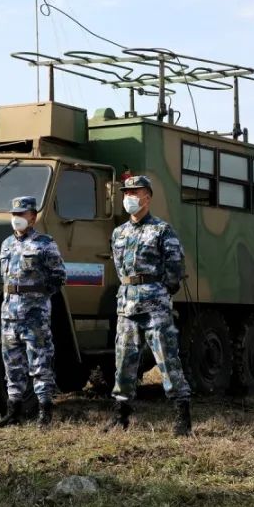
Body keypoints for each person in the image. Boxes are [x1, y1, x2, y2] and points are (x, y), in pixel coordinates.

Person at [104, 175, 192, 436]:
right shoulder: (118, 233)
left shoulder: (162, 230)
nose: (129, 196)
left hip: (155, 304)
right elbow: (119, 268)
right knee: (124, 361)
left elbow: (175, 270)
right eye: (126, 192)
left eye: (135, 192)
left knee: (167, 358)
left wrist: (158, 290)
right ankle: (120, 417)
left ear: (148, 197)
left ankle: (182, 417)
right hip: (127, 305)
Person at [0, 195, 66, 429]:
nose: (17, 219)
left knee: (40, 363)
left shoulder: (45, 243)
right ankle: (13, 412)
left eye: (22, 214)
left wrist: (38, 298)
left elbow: (59, 276)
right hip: (9, 316)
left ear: (33, 217)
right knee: (12, 365)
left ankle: (45, 412)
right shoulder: (6, 244)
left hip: (34, 316)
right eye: (14, 215)